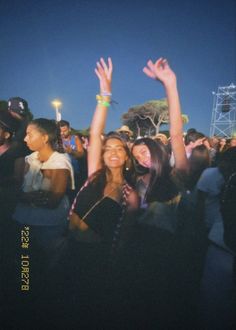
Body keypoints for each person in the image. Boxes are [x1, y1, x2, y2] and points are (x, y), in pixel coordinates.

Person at [126, 58, 205, 328]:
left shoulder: (176, 174)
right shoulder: (137, 182)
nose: (142, 157)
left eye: (145, 150)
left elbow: (175, 132)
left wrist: (170, 84)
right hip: (140, 255)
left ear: (156, 149)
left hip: (172, 257)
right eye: (137, 155)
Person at [65, 58, 139, 328]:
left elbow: (123, 238)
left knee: (89, 309)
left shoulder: (130, 195)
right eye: (109, 148)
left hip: (95, 259)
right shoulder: (94, 173)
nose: (113, 151)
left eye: (120, 148)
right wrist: (105, 94)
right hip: (69, 246)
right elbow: (95, 133)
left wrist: (112, 268)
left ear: (127, 157)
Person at [12, 118, 74, 293]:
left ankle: (49, 294)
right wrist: (33, 196)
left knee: (51, 259)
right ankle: (25, 287)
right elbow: (17, 192)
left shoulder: (60, 162)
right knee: (25, 255)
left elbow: (53, 201)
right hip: (24, 221)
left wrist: (27, 197)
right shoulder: (28, 159)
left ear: (45, 137)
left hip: (49, 226)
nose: (25, 139)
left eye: (29, 134)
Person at [58, 119, 87, 195]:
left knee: (75, 194)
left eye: (65, 130)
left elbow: (82, 154)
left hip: (75, 173)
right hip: (63, 172)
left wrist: (71, 152)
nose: (62, 133)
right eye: (60, 131)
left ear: (69, 129)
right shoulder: (59, 141)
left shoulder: (76, 138)